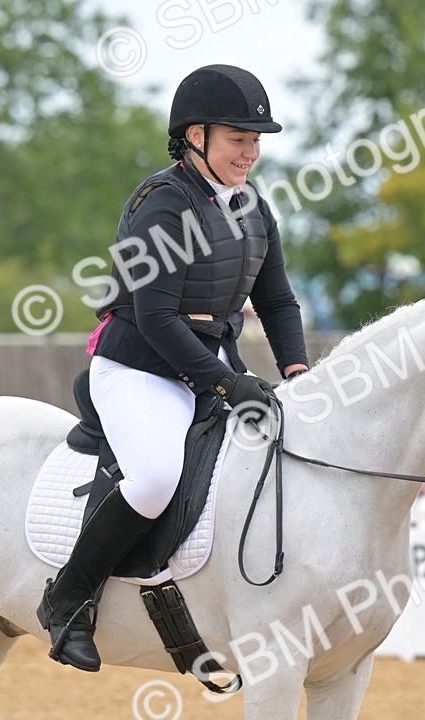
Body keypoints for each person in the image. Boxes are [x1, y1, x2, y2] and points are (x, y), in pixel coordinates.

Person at [37, 64, 309, 672]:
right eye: (238, 139)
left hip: (211, 364)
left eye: (256, 140)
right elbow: (157, 318)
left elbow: (277, 302)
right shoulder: (162, 204)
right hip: (141, 368)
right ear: (195, 136)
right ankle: (68, 599)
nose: (250, 152)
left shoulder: (253, 208)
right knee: (157, 477)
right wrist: (228, 384)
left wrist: (297, 375)